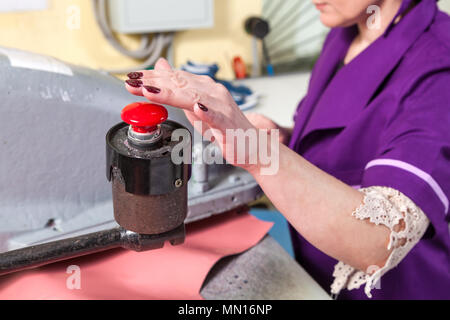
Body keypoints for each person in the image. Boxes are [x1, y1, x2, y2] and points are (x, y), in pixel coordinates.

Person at [125, 0, 450, 299]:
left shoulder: (439, 64)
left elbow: (382, 239)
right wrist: (284, 139)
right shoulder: (346, 32)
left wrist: (258, 154)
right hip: (312, 268)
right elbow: (352, 134)